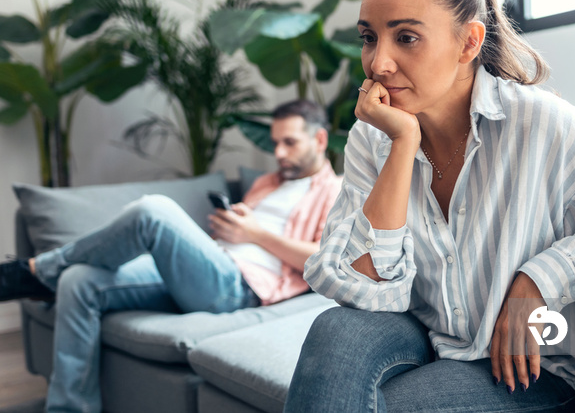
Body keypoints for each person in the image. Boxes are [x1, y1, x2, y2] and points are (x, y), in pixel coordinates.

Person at [283, 0, 575, 412]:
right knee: (334, 331)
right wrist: (402, 147)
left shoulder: (541, 125)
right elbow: (363, 292)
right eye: (369, 37)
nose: (379, 62)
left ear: (468, 43)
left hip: (533, 371)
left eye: (406, 37)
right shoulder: (374, 137)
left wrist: (541, 278)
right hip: (431, 334)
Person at [0, 99, 342, 413]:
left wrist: (255, 234)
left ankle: (36, 270)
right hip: (207, 265)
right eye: (275, 143)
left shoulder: (337, 190)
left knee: (153, 210)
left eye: (290, 142)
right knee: (78, 280)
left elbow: (324, 259)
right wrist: (228, 229)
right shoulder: (268, 182)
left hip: (237, 284)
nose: (279, 152)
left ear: (320, 140)